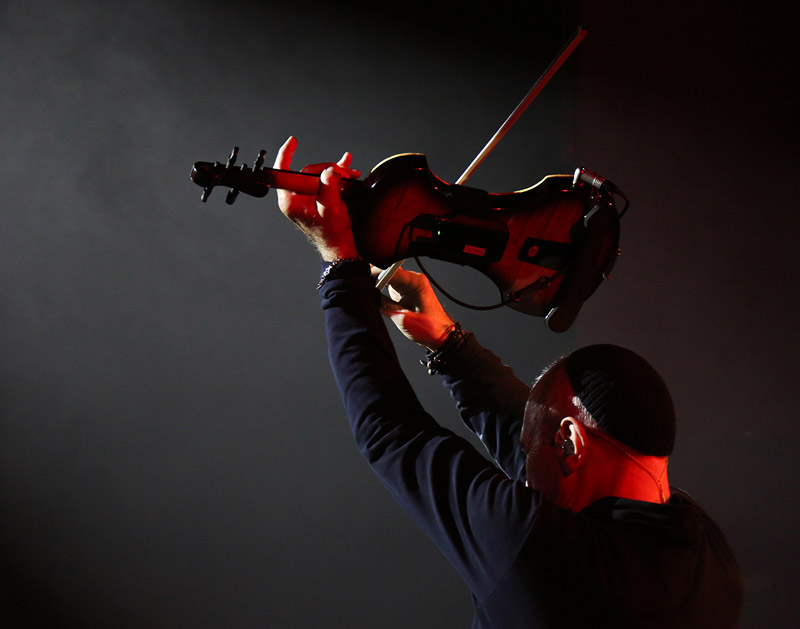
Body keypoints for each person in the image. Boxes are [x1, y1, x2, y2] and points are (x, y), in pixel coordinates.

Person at [274, 136, 743, 628]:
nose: (520, 453)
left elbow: (391, 433)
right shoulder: (709, 557)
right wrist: (449, 344)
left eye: (529, 439)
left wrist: (340, 265)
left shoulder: (540, 552)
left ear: (570, 443)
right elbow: (545, 453)